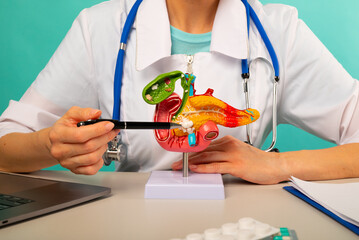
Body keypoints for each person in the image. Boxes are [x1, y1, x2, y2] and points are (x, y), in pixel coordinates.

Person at [0, 0, 358, 184]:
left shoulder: (279, 33)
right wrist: (52, 145)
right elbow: (5, 145)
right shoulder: (100, 28)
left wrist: (280, 164)